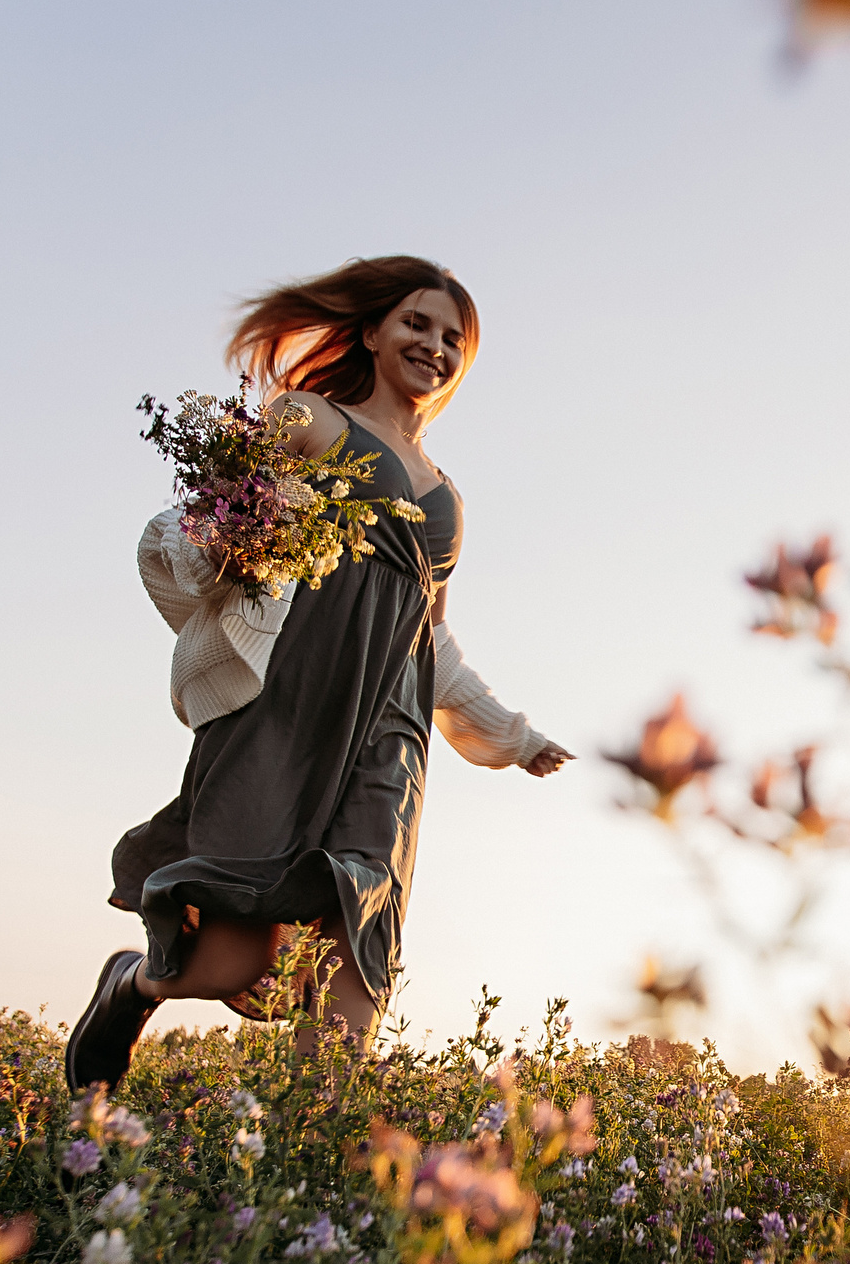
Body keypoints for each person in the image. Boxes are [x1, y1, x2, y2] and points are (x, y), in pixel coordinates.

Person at [66, 256, 569, 1091]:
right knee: (230, 963)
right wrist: (234, 545)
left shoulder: (448, 498)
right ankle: (131, 984)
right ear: (371, 332)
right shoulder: (309, 417)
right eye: (416, 323)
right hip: (290, 711)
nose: (434, 346)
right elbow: (205, 528)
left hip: (388, 738)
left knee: (353, 958)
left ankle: (311, 1154)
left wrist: (511, 735)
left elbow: (429, 636)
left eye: (454, 338)